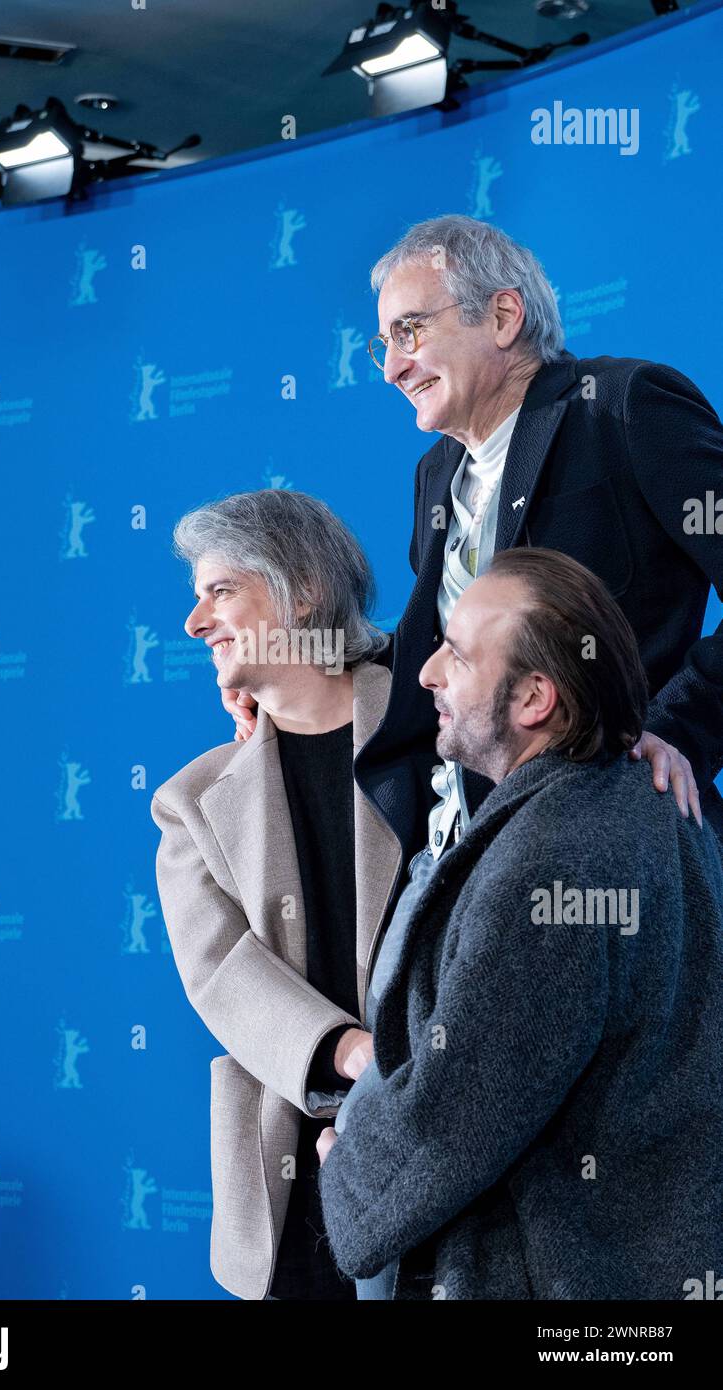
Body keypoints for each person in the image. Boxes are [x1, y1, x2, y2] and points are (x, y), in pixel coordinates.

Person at [225, 215, 722, 907]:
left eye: (410, 331)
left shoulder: (623, 408)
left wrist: (678, 730)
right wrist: (286, 666)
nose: (394, 367)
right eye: (384, 345)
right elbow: (431, 657)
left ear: (502, 314)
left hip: (609, 847)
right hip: (462, 857)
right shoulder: (435, 475)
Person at [316, 547, 723, 1300]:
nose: (428, 674)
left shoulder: (549, 860)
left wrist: (349, 1172)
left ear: (534, 698)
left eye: (457, 657)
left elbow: (461, 1111)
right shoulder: (659, 803)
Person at [149, 489, 403, 1300]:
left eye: (220, 591)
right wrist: (348, 1052)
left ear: (301, 589)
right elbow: (222, 975)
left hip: (451, 1158)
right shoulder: (190, 802)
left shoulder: (441, 731)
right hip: (292, 1193)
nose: (195, 623)